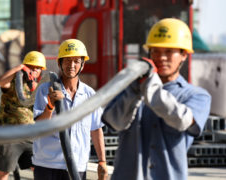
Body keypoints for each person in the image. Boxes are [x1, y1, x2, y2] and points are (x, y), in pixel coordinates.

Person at [102, 18, 211, 180]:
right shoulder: (131, 89)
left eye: (168, 51)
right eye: (156, 51)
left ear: (183, 55)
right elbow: (115, 122)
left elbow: (182, 120)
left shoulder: (196, 96)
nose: (161, 58)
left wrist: (150, 87)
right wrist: (133, 91)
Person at [32, 39, 108, 180]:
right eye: (67, 60)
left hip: (77, 166)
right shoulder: (45, 89)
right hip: (48, 165)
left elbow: (96, 129)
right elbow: (38, 127)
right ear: (59, 62)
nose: (71, 65)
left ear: (82, 65)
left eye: (76, 61)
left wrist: (102, 161)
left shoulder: (89, 94)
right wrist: (50, 107)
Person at [0, 51, 47, 180]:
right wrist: (19, 68)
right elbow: (1, 82)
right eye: (31, 67)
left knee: (40, 167)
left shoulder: (38, 88)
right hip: (9, 136)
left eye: (38, 68)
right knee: (4, 172)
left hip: (30, 136)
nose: (34, 70)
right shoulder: (13, 82)